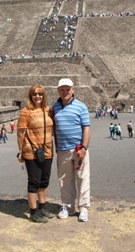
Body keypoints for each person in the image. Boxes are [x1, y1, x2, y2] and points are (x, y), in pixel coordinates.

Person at [52, 78, 91, 222]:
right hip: (62, 149)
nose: (65, 92)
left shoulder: (81, 106)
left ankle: (84, 208)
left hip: (78, 149)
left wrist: (84, 147)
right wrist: (56, 147)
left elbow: (86, 127)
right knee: (64, 180)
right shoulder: (55, 107)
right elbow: (54, 129)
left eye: (67, 89)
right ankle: (67, 206)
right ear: (58, 91)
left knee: (82, 178)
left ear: (73, 90)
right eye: (62, 89)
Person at [17, 84, 55, 223]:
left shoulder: (48, 111)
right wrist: (21, 151)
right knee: (34, 181)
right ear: (30, 96)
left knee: (44, 180)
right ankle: (33, 212)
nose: (37, 96)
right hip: (32, 152)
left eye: (40, 94)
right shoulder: (26, 112)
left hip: (47, 150)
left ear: (44, 96)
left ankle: (42, 207)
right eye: (34, 94)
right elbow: (20, 133)